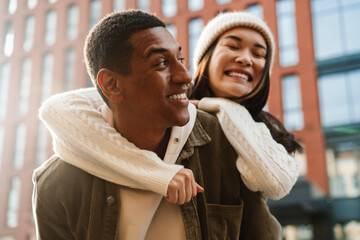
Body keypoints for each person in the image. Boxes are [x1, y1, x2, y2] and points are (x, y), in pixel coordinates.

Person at [33, 10, 284, 239]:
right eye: (161, 63)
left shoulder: (227, 142)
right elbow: (58, 108)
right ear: (111, 85)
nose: (186, 75)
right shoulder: (57, 185)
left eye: (180, 58)